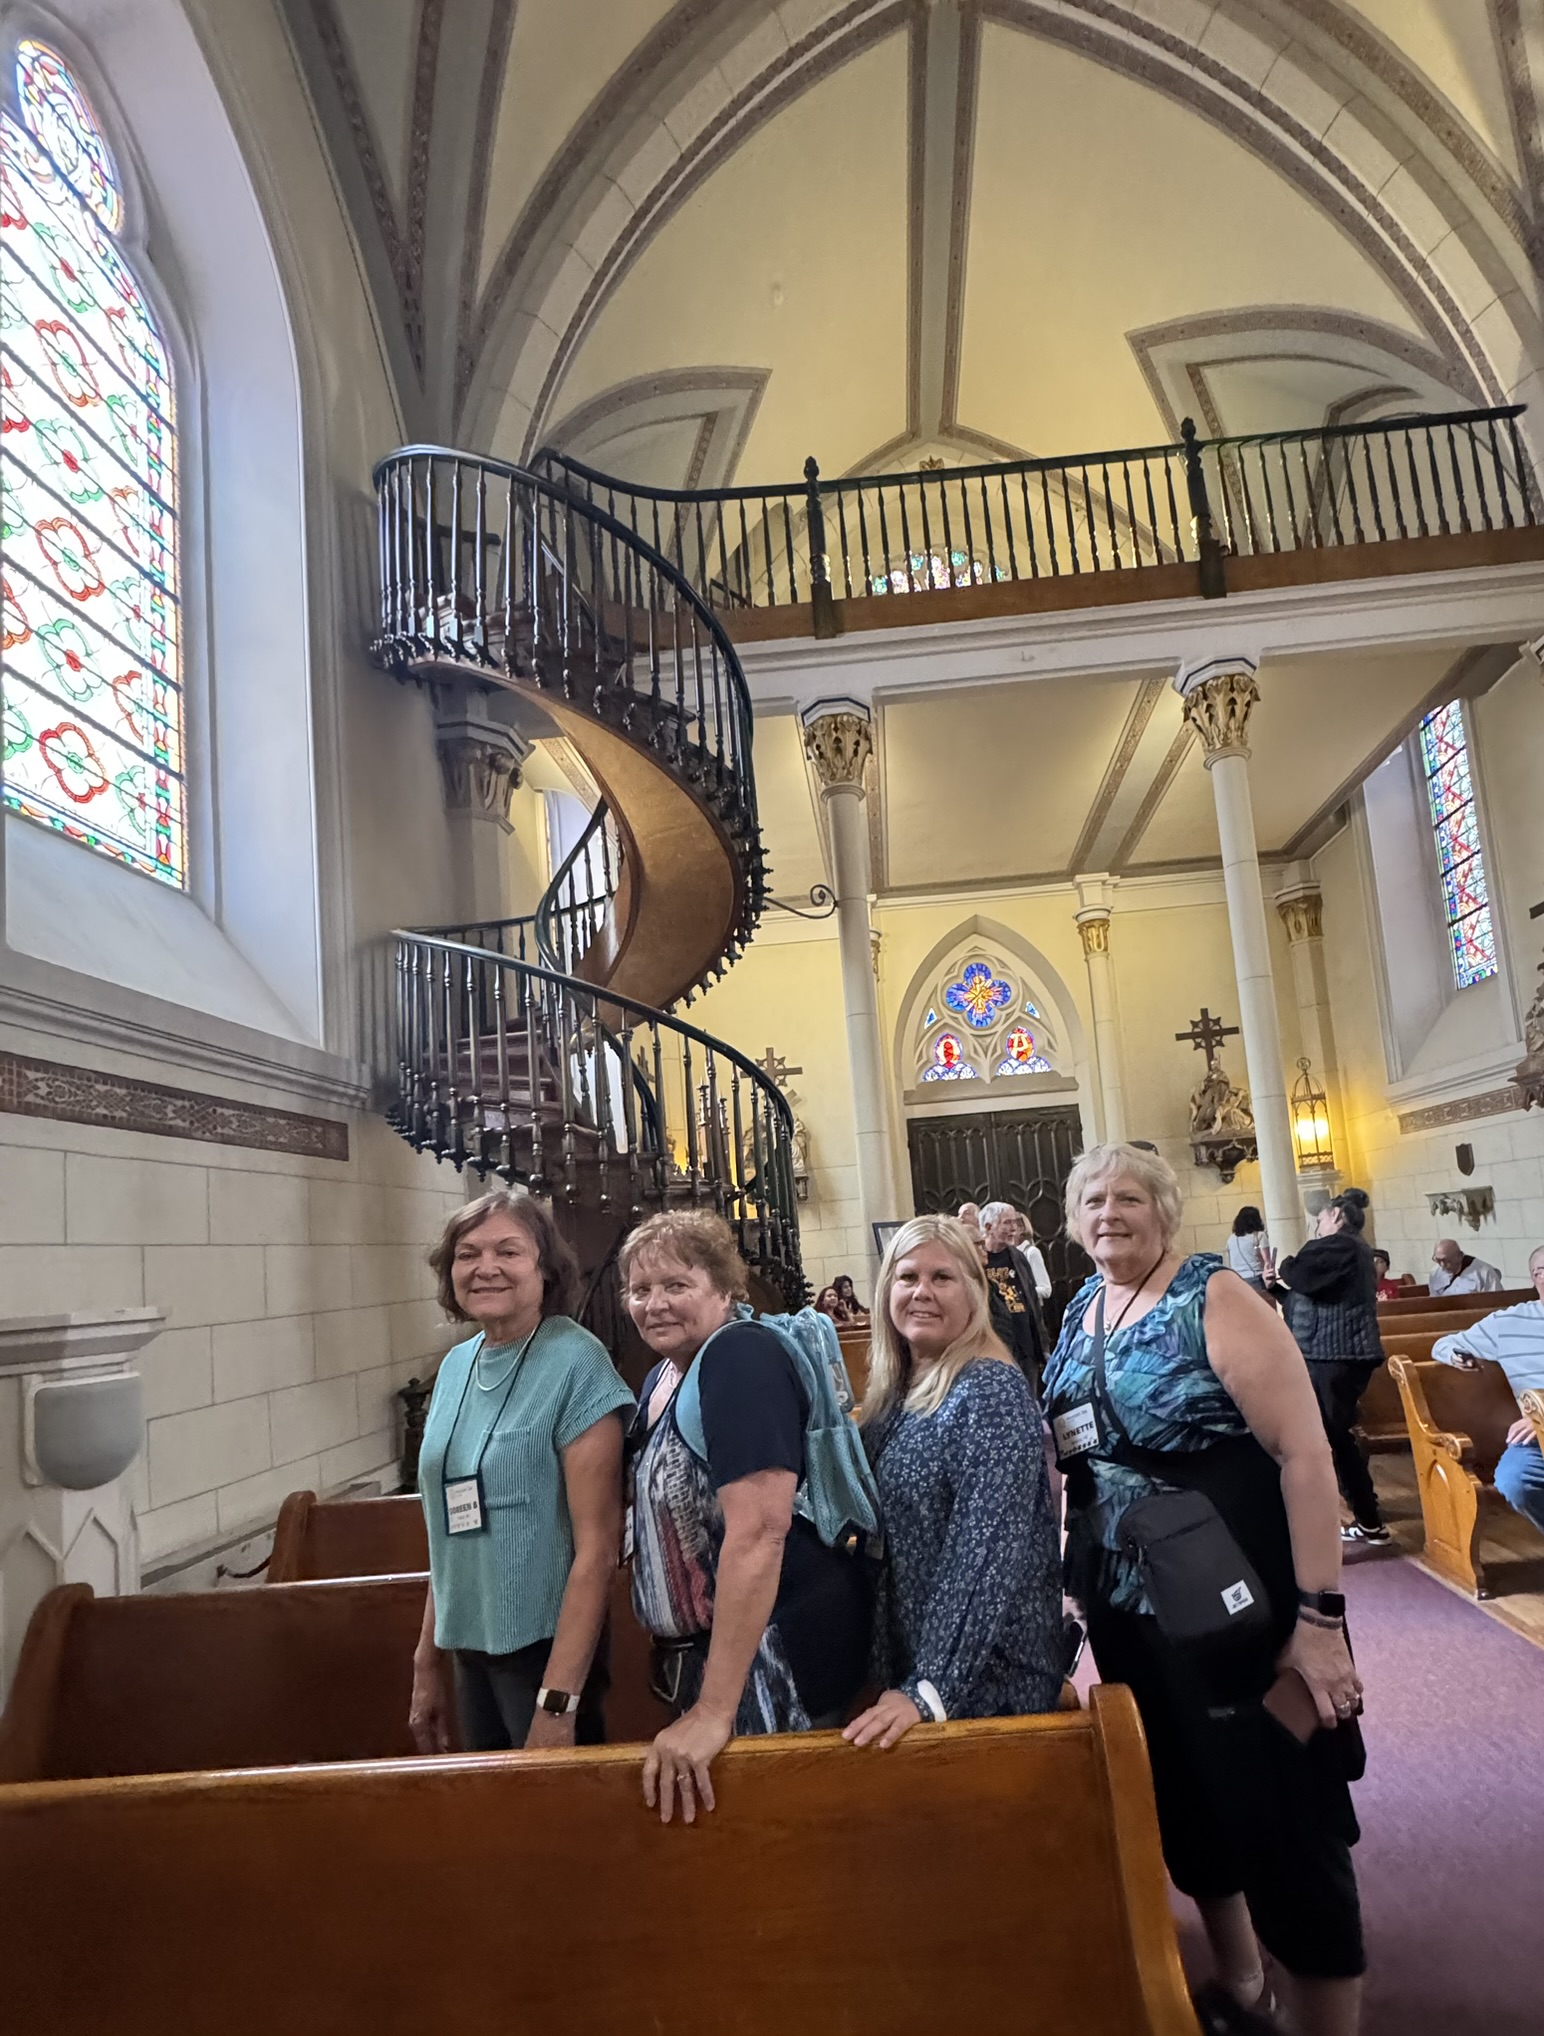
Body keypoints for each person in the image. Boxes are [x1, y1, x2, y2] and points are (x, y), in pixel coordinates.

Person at [1042, 1143, 1366, 2036]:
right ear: (1072, 1221)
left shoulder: (1214, 1296)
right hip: (1131, 1609)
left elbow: (1306, 1455)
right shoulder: (1081, 1309)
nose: (1109, 1212)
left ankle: (1324, 2020)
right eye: (1093, 1200)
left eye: (1129, 1197)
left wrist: (1320, 1621)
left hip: (1241, 1604)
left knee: (1283, 1810)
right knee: (1186, 1796)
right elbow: (1080, 1460)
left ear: (1165, 1211)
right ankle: (1242, 1988)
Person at [623, 1210, 871, 1822]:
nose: (655, 1304)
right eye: (639, 1289)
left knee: (777, 1834)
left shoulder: (739, 1358)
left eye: (677, 1285)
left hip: (773, 1658)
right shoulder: (665, 1374)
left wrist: (714, 1710)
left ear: (725, 1289)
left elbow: (760, 1532)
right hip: (719, 1659)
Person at [409, 1189, 634, 1755]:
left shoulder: (577, 1363)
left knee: (555, 1809)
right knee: (492, 1805)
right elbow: (447, 1528)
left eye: (508, 1251)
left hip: (545, 1653)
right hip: (466, 1645)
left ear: (545, 1268)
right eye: (468, 1254)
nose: (485, 1267)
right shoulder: (456, 1366)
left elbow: (597, 1551)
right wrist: (426, 1660)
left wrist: (557, 1702)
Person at [843, 1216, 1063, 1750]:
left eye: (941, 1277)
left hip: (986, 1679)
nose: (921, 1291)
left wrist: (931, 1687)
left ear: (974, 1292)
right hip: (921, 1662)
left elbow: (984, 1550)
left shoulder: (987, 1390)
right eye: (907, 1277)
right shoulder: (900, 1388)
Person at [1278, 1190, 1390, 1548]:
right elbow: (1315, 1294)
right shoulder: (1347, 1250)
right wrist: (1276, 1289)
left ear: (1338, 1216)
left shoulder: (1341, 1245)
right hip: (1330, 1352)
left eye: (1321, 1218)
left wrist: (1284, 1267)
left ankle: (1367, 1519)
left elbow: (1300, 1273)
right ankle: (1365, 1517)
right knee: (1332, 1437)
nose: (1317, 1226)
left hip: (1335, 1355)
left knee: (1334, 1438)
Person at [1431, 1243, 1544, 1535]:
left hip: (1536, 1423)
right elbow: (1444, 1344)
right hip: (1534, 1437)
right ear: (1533, 1278)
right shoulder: (1508, 1323)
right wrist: (1456, 1356)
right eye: (1541, 1271)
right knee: (1514, 1481)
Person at [979, 1199, 1046, 1387]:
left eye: (1015, 1222)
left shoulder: (1018, 1257)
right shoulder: (977, 1260)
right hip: (995, 1348)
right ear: (989, 1227)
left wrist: (1042, 1343)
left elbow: (1032, 1300)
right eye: (1007, 1223)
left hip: (1026, 1346)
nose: (1014, 1228)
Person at [1226, 1206, 1274, 1299]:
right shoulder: (1259, 1235)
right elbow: (1267, 1261)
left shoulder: (1231, 1238)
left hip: (1236, 1280)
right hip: (1255, 1278)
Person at [1429, 1238, 1504, 1296]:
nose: (1442, 1265)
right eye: (1438, 1260)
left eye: (1447, 1261)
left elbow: (1496, 1300)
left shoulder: (1484, 1272)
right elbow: (1433, 1301)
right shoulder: (1435, 1273)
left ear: (1459, 1256)